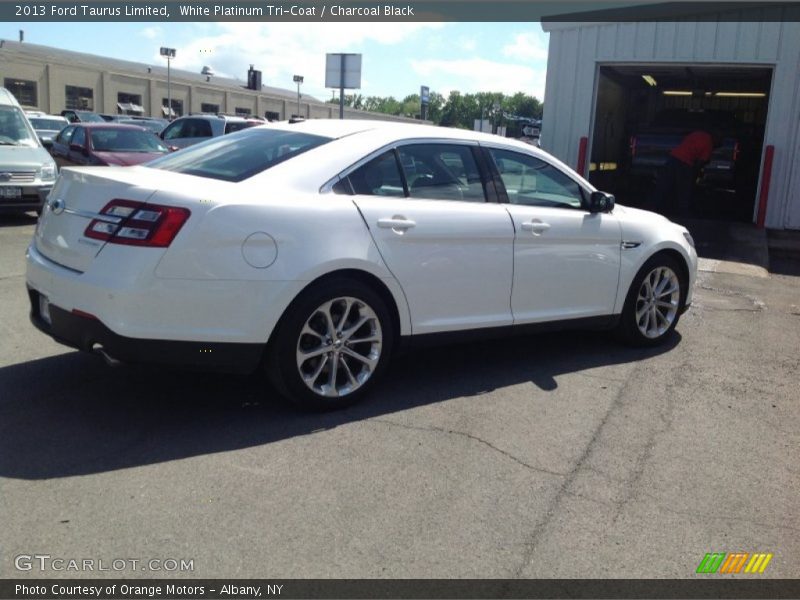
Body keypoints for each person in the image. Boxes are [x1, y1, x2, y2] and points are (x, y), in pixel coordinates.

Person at [652, 128, 723, 216]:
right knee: (684, 190)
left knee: (663, 186)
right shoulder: (709, 145)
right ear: (716, 139)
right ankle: (683, 212)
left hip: (673, 157)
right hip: (685, 163)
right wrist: (695, 176)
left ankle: (651, 207)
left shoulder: (698, 133)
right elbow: (699, 164)